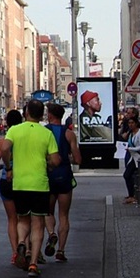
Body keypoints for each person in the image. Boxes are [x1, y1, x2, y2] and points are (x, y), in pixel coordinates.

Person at [0, 99, 60, 278]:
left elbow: (4, 148)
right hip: (40, 184)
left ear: (26, 113)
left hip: (20, 183)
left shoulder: (15, 130)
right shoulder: (46, 133)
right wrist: (48, 163)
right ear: (42, 116)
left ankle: (22, 243)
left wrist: (9, 167)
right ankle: (33, 263)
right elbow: (55, 160)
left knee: (22, 219)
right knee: (38, 223)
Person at [42, 102, 81, 263]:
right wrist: (68, 157)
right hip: (64, 175)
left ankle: (52, 234)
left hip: (48, 176)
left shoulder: (44, 133)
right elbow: (78, 159)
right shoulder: (69, 134)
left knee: (47, 212)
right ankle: (61, 250)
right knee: (64, 215)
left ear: (50, 116)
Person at [0, 108, 24, 265]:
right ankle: (27, 248)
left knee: (12, 219)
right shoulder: (25, 140)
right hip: (24, 181)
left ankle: (15, 252)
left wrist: (6, 166)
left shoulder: (1, 143)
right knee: (25, 218)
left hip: (6, 181)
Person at [122, 116, 140, 205]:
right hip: (132, 158)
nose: (130, 125)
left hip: (138, 158)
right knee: (129, 175)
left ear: (136, 123)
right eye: (129, 123)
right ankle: (131, 195)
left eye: (132, 123)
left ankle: (132, 196)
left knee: (127, 175)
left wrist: (131, 149)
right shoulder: (131, 133)